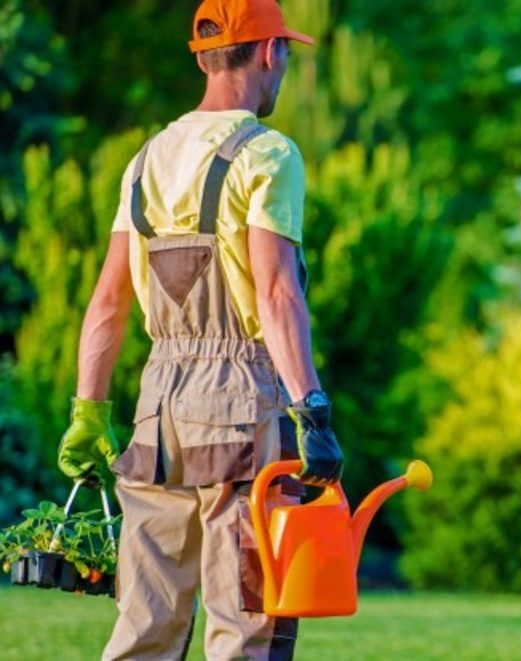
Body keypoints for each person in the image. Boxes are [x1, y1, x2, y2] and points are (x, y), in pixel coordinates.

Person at [55, 0, 343, 658]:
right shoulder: (268, 154)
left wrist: (88, 410)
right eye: (286, 54)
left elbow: (107, 302)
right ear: (269, 53)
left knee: (145, 626)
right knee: (247, 622)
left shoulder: (146, 159)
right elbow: (276, 290)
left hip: (157, 410)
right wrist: (313, 409)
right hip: (243, 406)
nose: (286, 67)